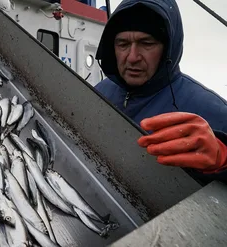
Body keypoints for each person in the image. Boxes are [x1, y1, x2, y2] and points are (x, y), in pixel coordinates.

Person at [94, 0, 227, 184]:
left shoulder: (213, 110)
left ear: (167, 49)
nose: (132, 57)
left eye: (146, 43)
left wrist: (223, 159)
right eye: (122, 44)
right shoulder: (100, 91)